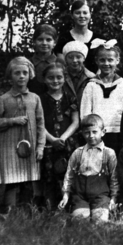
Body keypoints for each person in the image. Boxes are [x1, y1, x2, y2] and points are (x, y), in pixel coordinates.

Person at [0, 57, 46, 210]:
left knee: (28, 181)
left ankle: (26, 213)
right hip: (8, 148)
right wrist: (11, 121)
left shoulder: (35, 98)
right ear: (10, 76)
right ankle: (6, 214)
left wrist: (40, 147)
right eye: (17, 73)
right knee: (12, 181)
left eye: (25, 73)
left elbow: (41, 125)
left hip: (30, 147)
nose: (21, 76)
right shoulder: (3, 99)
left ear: (30, 75)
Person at [59, 114, 118, 221]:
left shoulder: (109, 153)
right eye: (87, 132)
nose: (91, 136)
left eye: (94, 132)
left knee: (100, 220)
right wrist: (65, 195)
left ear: (103, 132)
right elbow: (69, 176)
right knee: (80, 220)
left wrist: (113, 199)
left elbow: (114, 178)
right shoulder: (78, 153)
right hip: (80, 196)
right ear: (82, 133)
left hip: (101, 196)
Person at [80, 40, 123, 155]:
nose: (106, 63)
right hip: (96, 134)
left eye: (110, 60)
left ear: (117, 60)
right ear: (96, 61)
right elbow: (85, 112)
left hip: (119, 133)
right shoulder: (91, 85)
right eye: (102, 60)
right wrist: (90, 130)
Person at [39, 62, 80, 210]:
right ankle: (50, 207)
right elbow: (38, 123)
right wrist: (52, 139)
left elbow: (76, 121)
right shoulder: (40, 100)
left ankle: (71, 206)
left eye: (59, 77)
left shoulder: (70, 98)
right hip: (48, 143)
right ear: (44, 79)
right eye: (51, 78)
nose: (55, 81)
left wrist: (62, 138)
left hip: (67, 143)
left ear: (65, 78)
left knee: (68, 174)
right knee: (49, 176)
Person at [55, 0, 99, 73]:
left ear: (90, 15)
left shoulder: (99, 39)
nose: (82, 16)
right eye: (78, 13)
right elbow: (61, 65)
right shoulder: (63, 38)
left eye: (85, 13)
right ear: (72, 15)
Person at [28, 24, 63, 95]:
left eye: (48, 40)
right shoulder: (28, 63)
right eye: (40, 39)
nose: (44, 43)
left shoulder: (61, 63)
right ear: (34, 41)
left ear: (55, 43)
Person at [62, 41, 96, 106]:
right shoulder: (60, 76)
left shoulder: (91, 77)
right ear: (65, 59)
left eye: (78, 57)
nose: (74, 60)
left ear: (84, 58)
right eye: (70, 57)